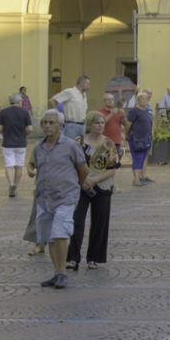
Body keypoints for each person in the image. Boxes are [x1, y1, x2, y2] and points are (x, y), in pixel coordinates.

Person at [27, 109, 88, 289]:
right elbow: (35, 166)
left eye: (51, 123)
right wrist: (30, 170)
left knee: (60, 234)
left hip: (65, 197)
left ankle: (62, 273)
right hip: (45, 199)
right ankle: (56, 273)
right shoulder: (38, 147)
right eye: (45, 122)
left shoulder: (71, 146)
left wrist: (75, 188)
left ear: (60, 126)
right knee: (50, 237)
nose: (47, 126)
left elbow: (83, 170)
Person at [66, 111, 122, 272]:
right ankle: (72, 258)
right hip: (81, 187)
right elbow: (71, 165)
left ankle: (94, 258)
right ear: (89, 125)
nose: (100, 125)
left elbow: (111, 169)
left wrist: (94, 180)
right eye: (97, 123)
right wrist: (83, 180)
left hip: (102, 187)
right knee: (76, 222)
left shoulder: (109, 144)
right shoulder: (78, 142)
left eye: (102, 122)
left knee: (100, 223)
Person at [0, 98, 32, 197]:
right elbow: (30, 128)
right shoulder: (25, 112)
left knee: (9, 165)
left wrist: (5, 132)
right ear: (19, 101)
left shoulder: (3, 112)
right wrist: (23, 135)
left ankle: (11, 184)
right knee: (19, 167)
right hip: (21, 143)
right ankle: (15, 187)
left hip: (8, 143)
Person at [125, 88, 155, 186]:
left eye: (146, 99)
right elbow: (128, 125)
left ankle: (140, 178)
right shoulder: (134, 111)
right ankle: (136, 179)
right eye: (143, 99)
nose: (145, 100)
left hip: (146, 138)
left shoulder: (146, 111)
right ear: (138, 100)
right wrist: (125, 136)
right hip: (136, 138)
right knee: (137, 159)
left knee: (142, 159)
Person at [51, 74, 91, 140]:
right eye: (88, 84)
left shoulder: (84, 95)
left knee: (82, 147)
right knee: (70, 146)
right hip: (72, 125)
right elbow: (52, 100)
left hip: (83, 125)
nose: (89, 87)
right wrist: (58, 114)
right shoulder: (70, 92)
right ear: (82, 83)